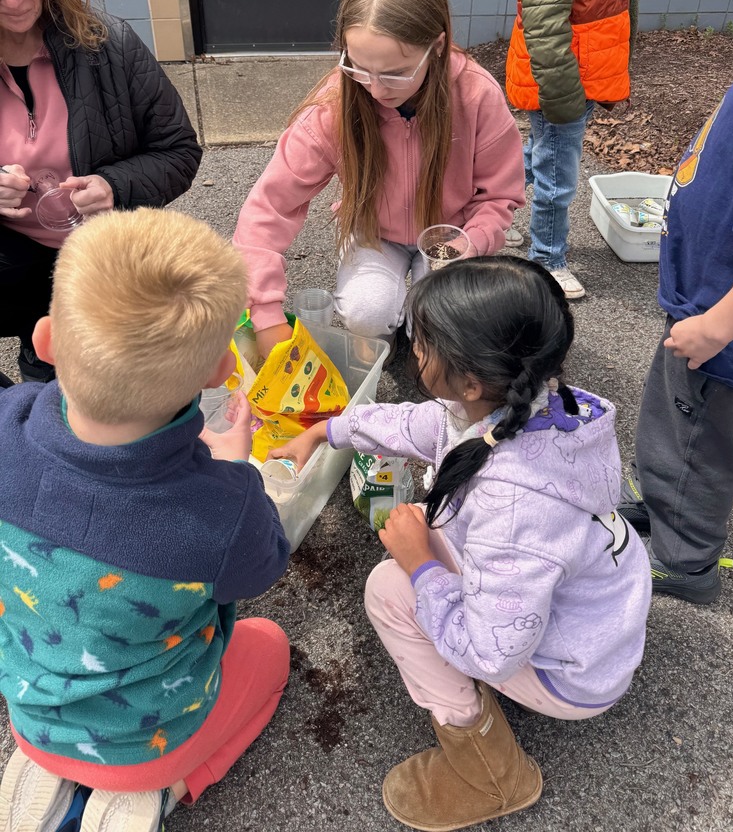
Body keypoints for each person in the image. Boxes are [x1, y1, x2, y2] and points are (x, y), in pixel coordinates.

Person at [272, 256, 651, 831]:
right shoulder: (541, 406)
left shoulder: (515, 509)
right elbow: (424, 425)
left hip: (574, 674)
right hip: (597, 618)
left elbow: (492, 653)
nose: (413, 352)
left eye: (421, 346)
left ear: (472, 381)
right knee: (432, 522)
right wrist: (329, 430)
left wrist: (421, 564)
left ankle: (491, 773)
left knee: (389, 587)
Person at [0, 209, 290, 832]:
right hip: (155, 739)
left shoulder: (6, 428)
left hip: (29, 713)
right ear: (219, 372)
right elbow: (263, 565)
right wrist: (237, 472)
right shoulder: (222, 510)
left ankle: (52, 767)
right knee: (268, 647)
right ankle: (170, 786)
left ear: (45, 341)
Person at [233, 0, 525, 361]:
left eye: (395, 72)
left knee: (446, 319)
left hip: (448, 237)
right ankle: (389, 339)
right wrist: (264, 312)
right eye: (358, 67)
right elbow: (270, 206)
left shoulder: (476, 95)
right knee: (367, 311)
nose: (375, 88)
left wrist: (471, 243)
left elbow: (499, 195)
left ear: (437, 47)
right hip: (375, 233)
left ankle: (421, 330)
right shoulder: (335, 103)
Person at [0, 0, 201, 382]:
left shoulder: (109, 47)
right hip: (13, 263)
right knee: (45, 369)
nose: (13, 2)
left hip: (102, 255)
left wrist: (115, 185)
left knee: (113, 376)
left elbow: (179, 151)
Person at [618, 48, 733, 605]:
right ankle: (659, 500)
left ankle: (686, 559)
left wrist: (718, 327)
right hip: (705, 299)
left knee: (697, 435)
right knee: (672, 418)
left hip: (726, 322)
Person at [501, 0, 667, 299]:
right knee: (558, 175)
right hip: (562, 83)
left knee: (541, 158)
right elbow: (544, 27)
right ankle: (547, 260)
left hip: (577, 78)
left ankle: (487, 201)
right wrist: (564, 97)